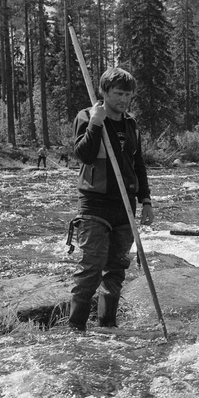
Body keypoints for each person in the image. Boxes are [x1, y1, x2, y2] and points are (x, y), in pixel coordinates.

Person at [67, 66, 153, 332]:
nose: (123, 100)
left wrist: (146, 200)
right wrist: (95, 122)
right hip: (94, 205)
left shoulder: (131, 124)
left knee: (115, 271)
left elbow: (138, 164)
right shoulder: (87, 117)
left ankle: (107, 326)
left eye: (128, 95)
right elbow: (84, 155)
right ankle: (75, 327)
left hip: (124, 208)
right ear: (104, 92)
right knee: (91, 269)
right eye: (118, 93)